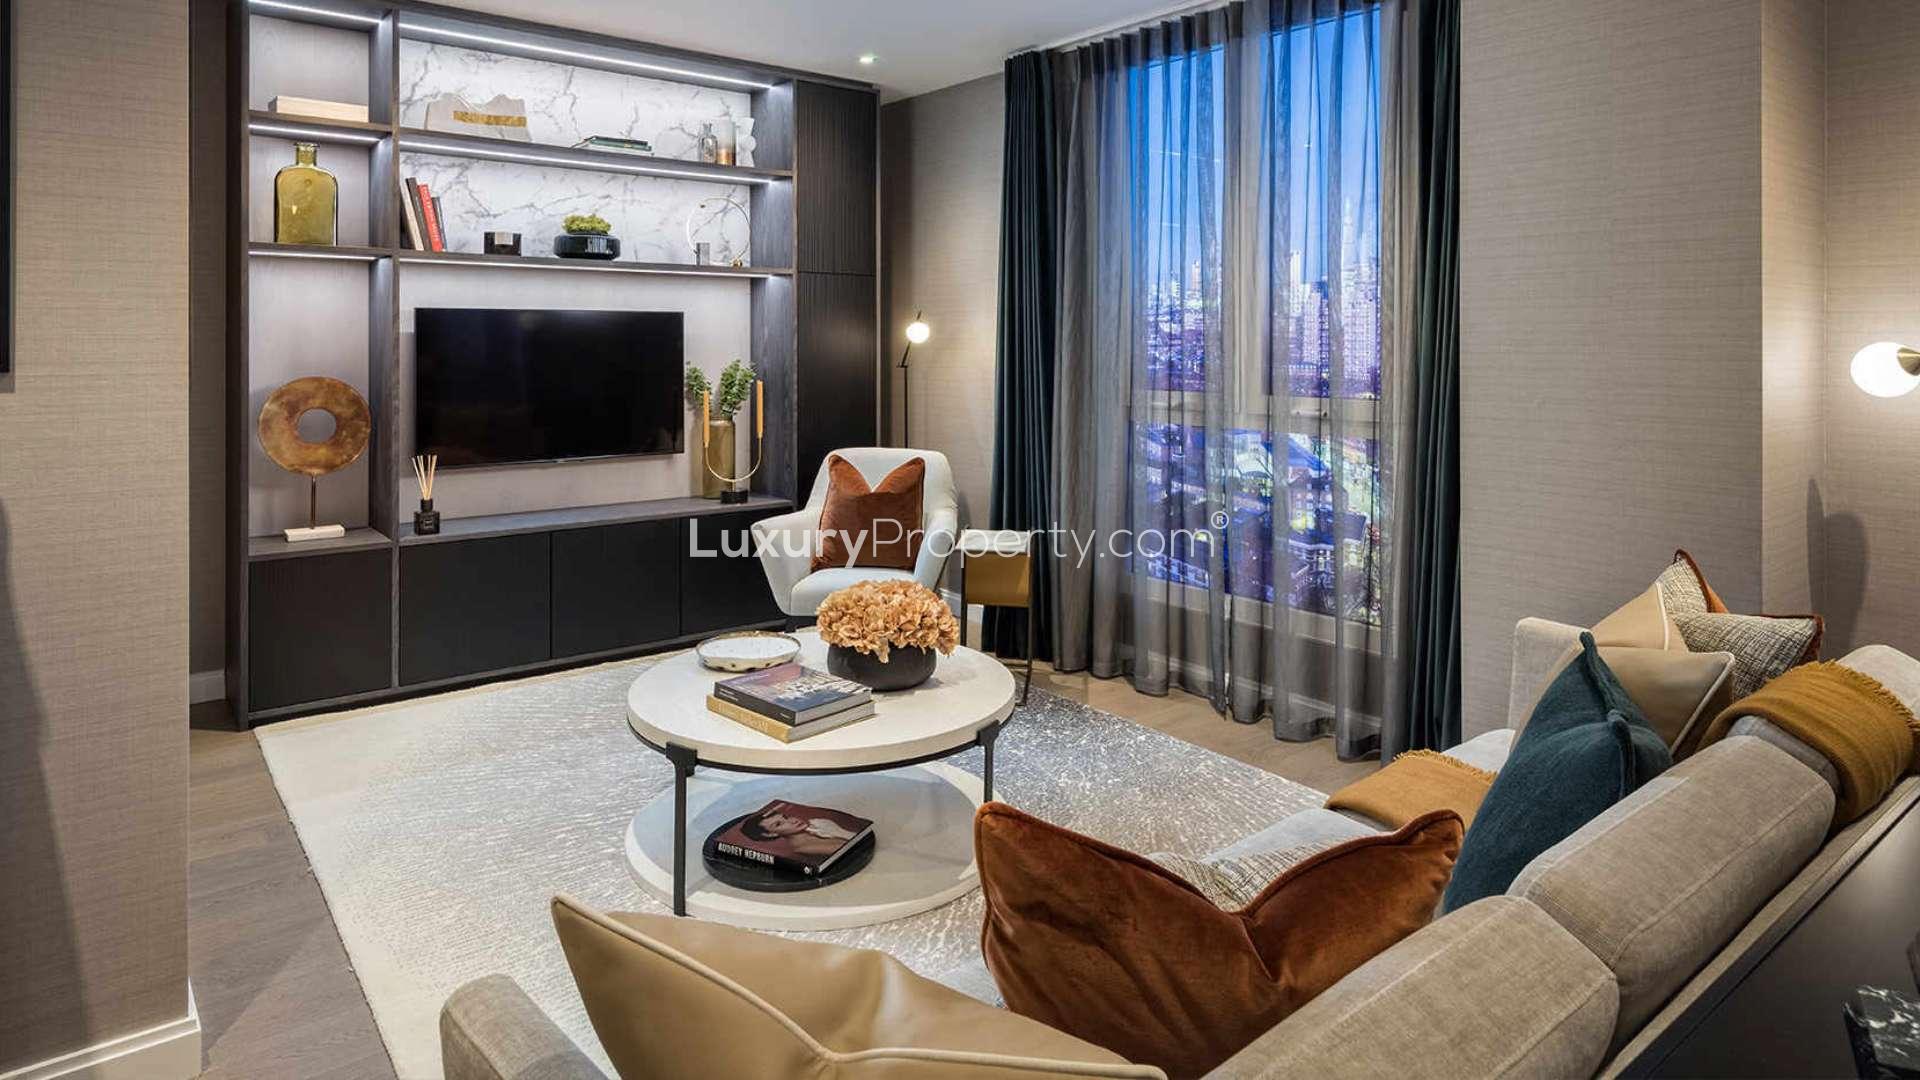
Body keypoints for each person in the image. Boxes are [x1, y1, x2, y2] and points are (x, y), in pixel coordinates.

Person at [739, 805, 856, 856]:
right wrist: (838, 831)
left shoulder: (817, 826)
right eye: (779, 824)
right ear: (770, 834)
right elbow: (855, 847)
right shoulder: (804, 848)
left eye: (785, 817)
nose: (792, 821)